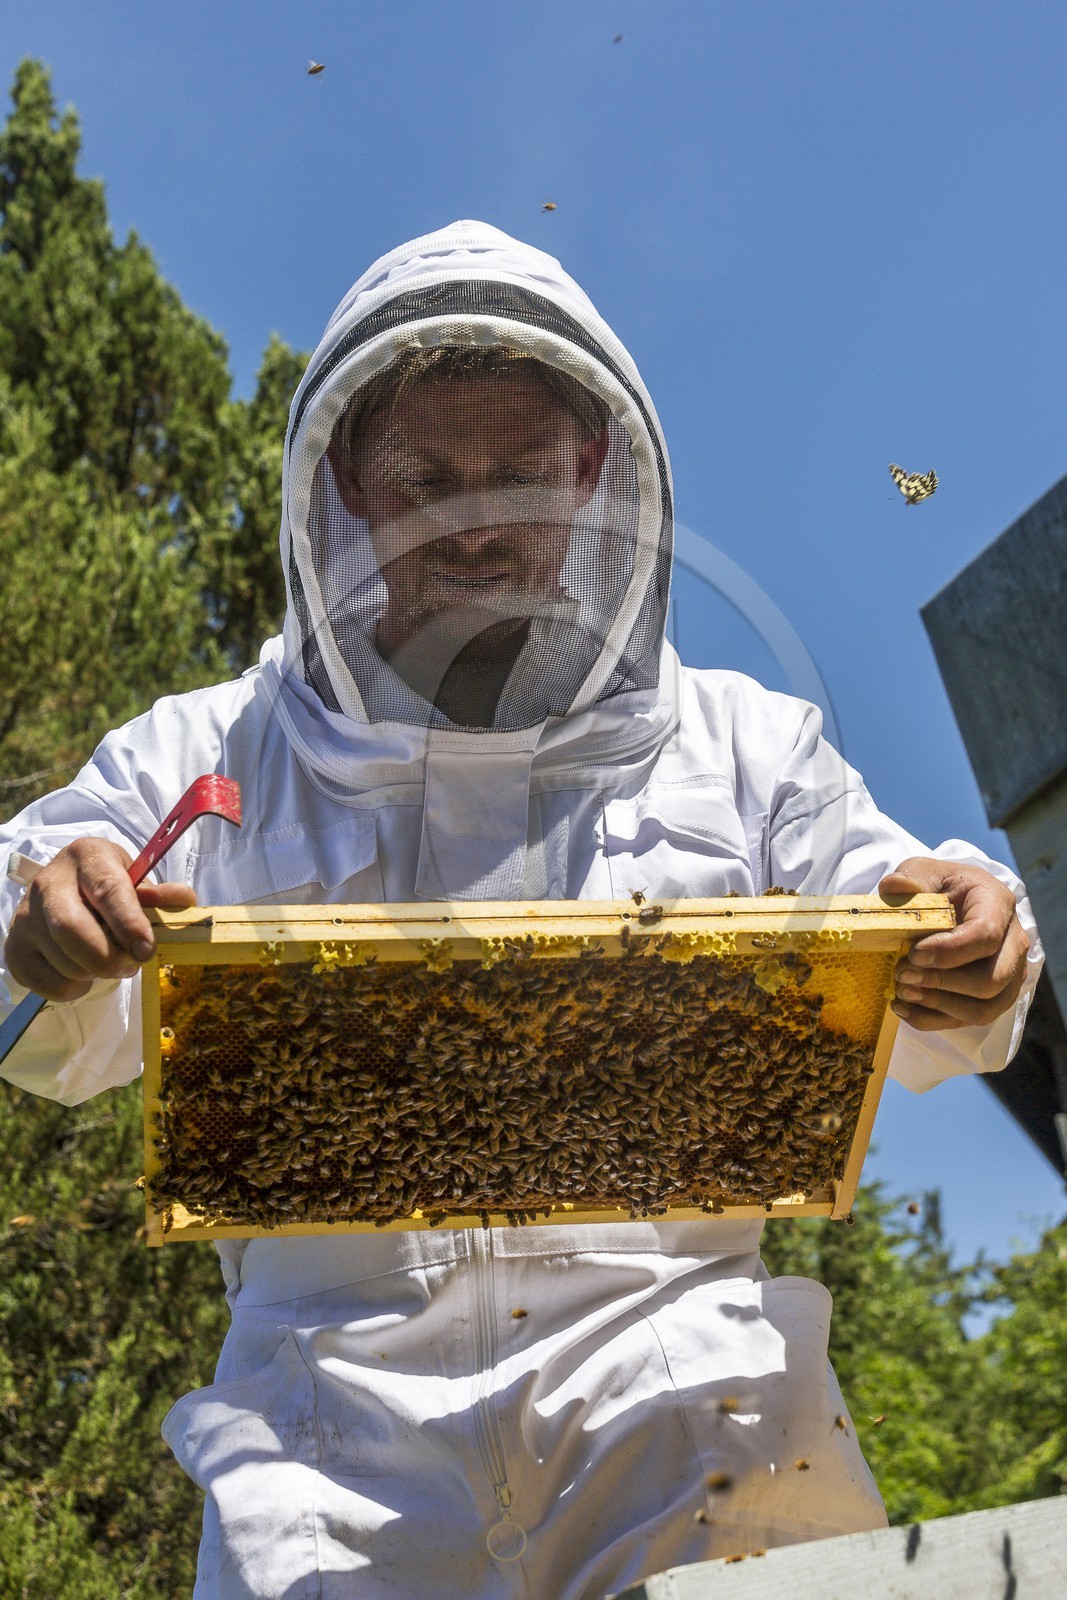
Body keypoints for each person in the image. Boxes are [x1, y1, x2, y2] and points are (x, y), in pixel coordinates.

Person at [0, 221, 1040, 1599]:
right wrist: (45, 919)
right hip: (327, 1442)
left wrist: (973, 937)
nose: (475, 520)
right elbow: (29, 978)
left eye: (518, 474)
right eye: (427, 476)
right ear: (352, 489)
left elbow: (924, 949)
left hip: (691, 1416)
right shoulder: (213, 749)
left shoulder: (747, 749)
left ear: (596, 473)